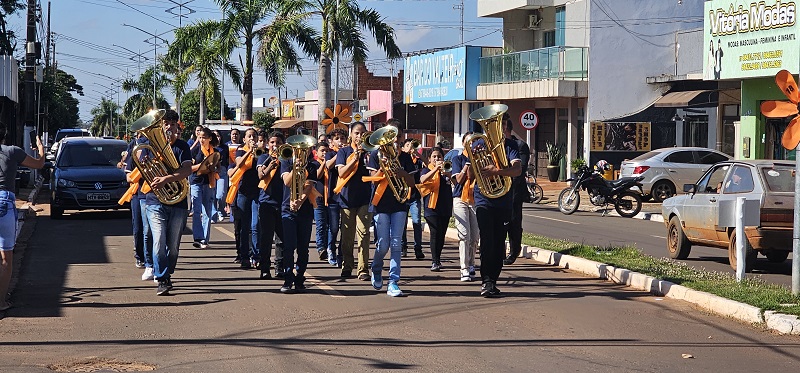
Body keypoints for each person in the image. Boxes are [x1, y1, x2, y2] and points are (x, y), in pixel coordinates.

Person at [133, 110, 193, 296]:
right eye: (165, 124)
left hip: (178, 202)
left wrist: (166, 179)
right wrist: (144, 160)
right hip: (154, 201)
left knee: (173, 246)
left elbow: (187, 171)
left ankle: (167, 272)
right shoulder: (147, 146)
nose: (168, 127)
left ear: (177, 126)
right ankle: (163, 278)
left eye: (172, 124)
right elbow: (140, 168)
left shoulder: (182, 146)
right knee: (158, 241)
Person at [470, 117, 522, 297]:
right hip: (483, 198)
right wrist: (473, 158)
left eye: (502, 127)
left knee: (499, 242)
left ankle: (493, 280)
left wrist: (497, 172)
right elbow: (469, 174)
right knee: (487, 239)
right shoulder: (478, 145)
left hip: (504, 200)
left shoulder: (511, 146)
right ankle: (486, 281)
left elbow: (517, 170)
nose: (498, 132)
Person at [0, 122, 45, 311]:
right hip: (4, 203)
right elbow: (39, 164)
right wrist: (40, 148)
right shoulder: (12, 151)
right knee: (5, 257)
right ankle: (1, 302)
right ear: (5, 134)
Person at [364, 139, 417, 297]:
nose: (393, 142)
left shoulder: (405, 158)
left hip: (400, 204)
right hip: (380, 204)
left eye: (396, 138)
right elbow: (372, 178)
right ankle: (377, 267)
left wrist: (403, 173)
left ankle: (393, 281)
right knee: (383, 243)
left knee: (396, 244)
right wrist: (382, 168)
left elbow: (412, 183)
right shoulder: (376, 154)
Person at [278, 139, 319, 293]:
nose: (302, 151)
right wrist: (296, 168)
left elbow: (309, 187)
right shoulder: (286, 161)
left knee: (303, 248)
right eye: (299, 148)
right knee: (289, 246)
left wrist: (299, 202)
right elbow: (287, 182)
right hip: (287, 210)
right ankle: (287, 279)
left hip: (305, 210)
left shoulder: (312, 165)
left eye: (306, 148)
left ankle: (299, 277)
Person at [334, 122, 373, 280]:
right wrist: (355, 156)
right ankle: (347, 266)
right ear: (350, 134)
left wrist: (369, 156)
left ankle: (363, 269)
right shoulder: (344, 151)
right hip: (347, 199)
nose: (359, 136)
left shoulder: (370, 152)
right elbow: (342, 172)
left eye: (362, 133)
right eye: (356, 133)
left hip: (365, 198)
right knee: (347, 237)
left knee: (363, 235)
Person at [226, 128, 260, 269]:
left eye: (254, 136)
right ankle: (244, 256)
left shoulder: (261, 151)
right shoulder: (240, 151)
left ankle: (256, 256)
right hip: (243, 192)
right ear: (244, 139)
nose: (252, 138)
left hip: (257, 192)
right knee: (244, 226)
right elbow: (239, 164)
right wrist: (249, 152)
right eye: (249, 136)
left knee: (255, 225)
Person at [417, 147, 453, 272]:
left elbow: (455, 181)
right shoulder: (427, 170)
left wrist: (447, 173)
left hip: (445, 206)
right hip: (431, 207)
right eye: (434, 157)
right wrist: (435, 170)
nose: (437, 159)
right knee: (434, 232)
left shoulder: (447, 169)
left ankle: (438, 257)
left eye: (439, 156)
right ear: (429, 159)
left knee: (441, 234)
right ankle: (435, 261)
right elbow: (422, 180)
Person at [256, 131, 286, 280]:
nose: (275, 145)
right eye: (273, 142)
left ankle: (279, 268)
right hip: (266, 203)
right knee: (266, 237)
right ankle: (265, 268)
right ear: (268, 144)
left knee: (281, 238)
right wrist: (270, 166)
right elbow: (261, 175)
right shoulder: (263, 157)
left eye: (278, 142)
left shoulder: (286, 158)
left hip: (282, 202)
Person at [502, 115, 531, 265]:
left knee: (513, 221)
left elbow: (521, 168)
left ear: (506, 128)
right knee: (499, 222)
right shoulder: (495, 146)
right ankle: (499, 251)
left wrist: (500, 169)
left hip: (514, 190)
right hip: (499, 189)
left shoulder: (520, 145)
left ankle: (514, 251)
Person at [451, 133, 479, 282]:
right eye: (469, 142)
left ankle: (472, 264)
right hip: (460, 199)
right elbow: (459, 181)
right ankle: (464, 268)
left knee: (475, 237)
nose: (471, 145)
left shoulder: (479, 159)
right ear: (463, 143)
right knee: (464, 235)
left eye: (474, 142)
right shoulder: (458, 159)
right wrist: (466, 165)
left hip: (475, 200)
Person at [189, 127, 220, 249]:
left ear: (210, 139)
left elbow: (219, 167)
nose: (201, 140)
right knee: (196, 210)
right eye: (199, 137)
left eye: (204, 138)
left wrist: (214, 168)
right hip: (196, 181)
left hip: (209, 182)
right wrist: (201, 166)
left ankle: (205, 239)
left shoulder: (215, 152)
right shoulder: (194, 151)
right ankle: (198, 237)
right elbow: (188, 168)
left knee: (208, 210)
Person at [324, 128, 346, 267]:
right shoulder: (330, 154)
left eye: (342, 138)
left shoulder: (349, 153)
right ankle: (330, 248)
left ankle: (341, 253)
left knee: (345, 228)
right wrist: (339, 154)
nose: (340, 141)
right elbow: (328, 165)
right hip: (333, 196)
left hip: (346, 196)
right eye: (337, 139)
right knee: (333, 227)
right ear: (331, 142)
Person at [400, 138, 425, 259]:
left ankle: (418, 248)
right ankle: (403, 246)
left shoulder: (417, 161)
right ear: (403, 148)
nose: (411, 147)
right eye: (408, 145)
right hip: (403, 195)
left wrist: (418, 155)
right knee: (402, 224)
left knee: (417, 222)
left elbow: (427, 165)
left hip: (414, 196)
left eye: (412, 145)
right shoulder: (401, 159)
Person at [312, 141, 331, 261]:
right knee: (320, 224)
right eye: (322, 151)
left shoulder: (331, 164)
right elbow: (317, 176)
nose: (324, 153)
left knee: (330, 225)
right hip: (318, 198)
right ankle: (320, 248)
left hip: (330, 198)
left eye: (326, 151)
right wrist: (324, 162)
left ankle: (329, 247)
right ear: (316, 152)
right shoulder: (314, 164)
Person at [211, 130, 229, 223]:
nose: (217, 138)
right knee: (212, 195)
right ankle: (213, 215)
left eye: (218, 136)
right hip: (211, 172)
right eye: (214, 136)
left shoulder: (225, 147)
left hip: (222, 171)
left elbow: (228, 160)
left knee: (221, 194)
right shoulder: (209, 148)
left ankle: (221, 210)